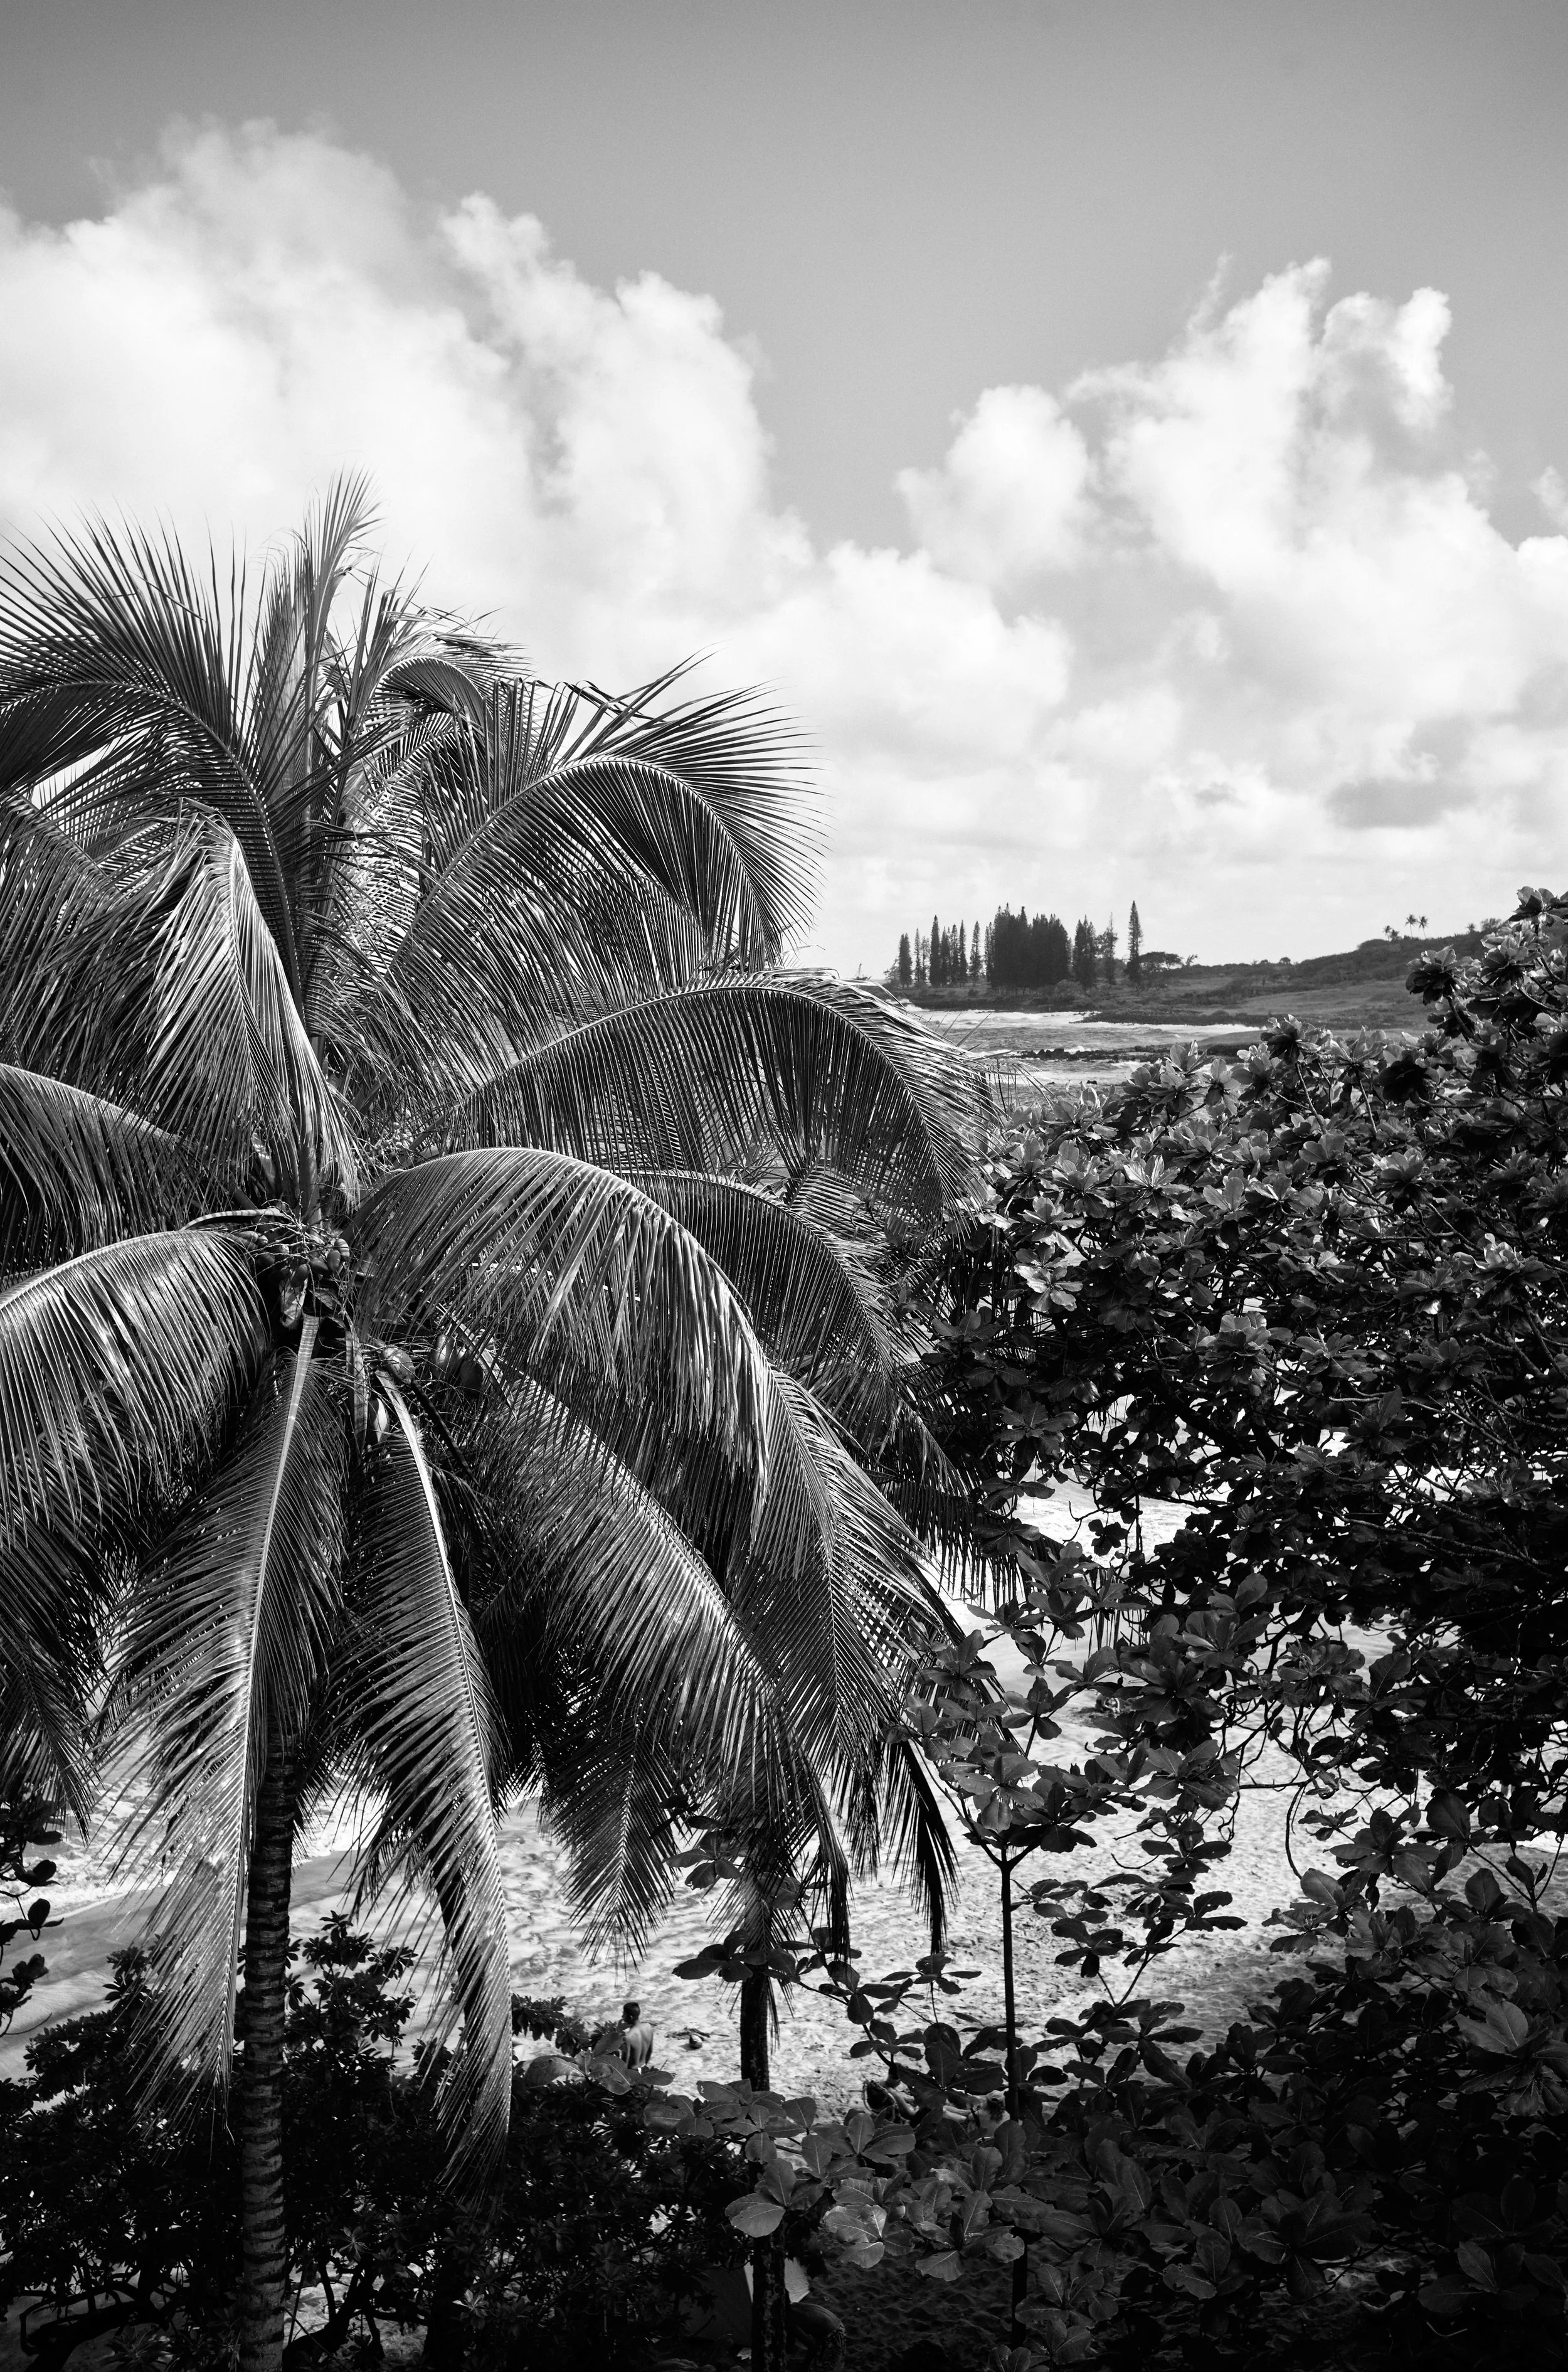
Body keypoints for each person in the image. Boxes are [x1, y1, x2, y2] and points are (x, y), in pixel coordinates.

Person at [614, 1999, 655, 2067]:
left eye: (624, 2014)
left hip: (633, 2073)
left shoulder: (628, 2037)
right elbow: (650, 2051)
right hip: (644, 2067)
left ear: (630, 2018)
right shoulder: (648, 2027)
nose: (622, 2016)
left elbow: (625, 2062)